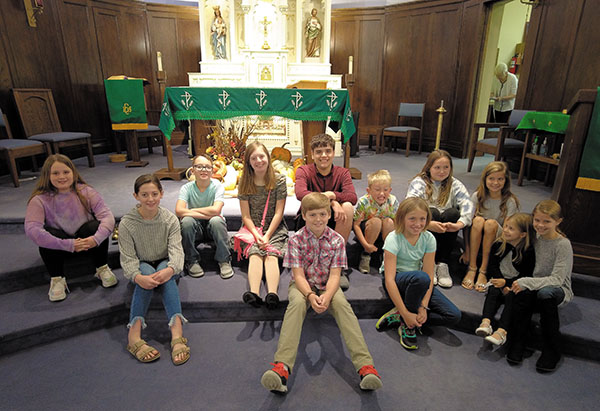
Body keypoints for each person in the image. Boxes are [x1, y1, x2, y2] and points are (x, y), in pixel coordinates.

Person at [260, 193, 382, 393]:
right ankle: (282, 366)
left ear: (329, 216)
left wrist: (326, 295)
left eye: (323, 214)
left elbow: (335, 276)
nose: (318, 219)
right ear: (305, 216)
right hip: (303, 286)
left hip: (328, 285)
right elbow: (298, 275)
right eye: (313, 215)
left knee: (343, 306)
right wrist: (309, 295)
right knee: (296, 305)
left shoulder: (336, 240)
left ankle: (365, 366)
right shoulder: (296, 240)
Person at [25, 154, 117, 302]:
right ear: (47, 175)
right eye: (55, 173)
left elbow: (107, 217)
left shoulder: (87, 191)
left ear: (73, 173)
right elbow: (32, 230)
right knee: (47, 234)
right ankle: (57, 278)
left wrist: (96, 239)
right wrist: (68, 244)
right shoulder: (39, 200)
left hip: (88, 244)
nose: (62, 176)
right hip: (61, 247)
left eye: (66, 172)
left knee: (94, 226)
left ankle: (102, 268)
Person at [118, 174, 189, 366]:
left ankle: (177, 334)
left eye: (154, 194)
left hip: (166, 262)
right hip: (142, 263)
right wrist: (136, 276)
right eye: (144, 195)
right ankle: (134, 336)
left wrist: (171, 269)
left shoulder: (169, 220)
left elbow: (177, 251)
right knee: (147, 272)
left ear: (162, 194)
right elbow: (128, 257)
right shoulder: (126, 223)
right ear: (136, 196)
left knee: (165, 272)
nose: (150, 199)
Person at [375, 197, 461, 350]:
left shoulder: (428, 239)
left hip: (419, 282)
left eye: (422, 219)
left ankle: (400, 318)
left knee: (453, 315)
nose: (418, 224)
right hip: (398, 279)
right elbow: (389, 280)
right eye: (412, 219)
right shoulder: (393, 238)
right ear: (402, 218)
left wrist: (423, 307)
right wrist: (406, 312)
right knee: (420, 278)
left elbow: (428, 275)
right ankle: (408, 324)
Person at [507, 200, 573, 373]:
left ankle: (552, 349)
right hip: (534, 285)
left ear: (558, 222)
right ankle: (519, 341)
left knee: (544, 293)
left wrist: (527, 282)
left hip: (555, 289)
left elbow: (558, 279)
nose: (540, 225)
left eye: (546, 221)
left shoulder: (563, 245)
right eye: (537, 220)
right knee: (523, 292)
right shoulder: (533, 237)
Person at [295, 133, 357, 290]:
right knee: (338, 206)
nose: (324, 155)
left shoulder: (343, 173)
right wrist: (332, 202)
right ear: (312, 155)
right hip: (309, 219)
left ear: (334, 153)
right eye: (319, 152)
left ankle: (337, 264)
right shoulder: (303, 170)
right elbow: (300, 194)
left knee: (348, 207)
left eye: (328, 151)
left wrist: (333, 195)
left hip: (335, 218)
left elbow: (352, 197)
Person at [406, 149, 474, 288]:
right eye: (437, 167)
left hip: (446, 228)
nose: (442, 171)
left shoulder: (455, 184)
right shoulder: (419, 182)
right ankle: (429, 263)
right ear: (429, 167)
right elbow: (410, 206)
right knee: (433, 212)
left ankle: (442, 263)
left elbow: (468, 205)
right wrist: (427, 224)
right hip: (424, 227)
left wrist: (459, 224)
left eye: (446, 167)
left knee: (453, 214)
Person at [237, 142, 288, 310]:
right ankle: (254, 293)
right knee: (255, 253)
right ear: (248, 162)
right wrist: (256, 234)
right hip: (253, 227)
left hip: (274, 227)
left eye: (262, 156)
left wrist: (266, 236)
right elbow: (246, 215)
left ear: (268, 157)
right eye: (254, 158)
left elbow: (279, 213)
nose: (258, 161)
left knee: (271, 253)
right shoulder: (245, 182)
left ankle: (272, 294)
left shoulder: (279, 180)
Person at [475, 213, 535, 346]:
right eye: (506, 226)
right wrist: (500, 282)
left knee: (513, 296)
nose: (506, 230)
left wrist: (508, 284)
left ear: (523, 234)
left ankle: (502, 331)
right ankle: (486, 322)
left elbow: (527, 273)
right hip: (499, 280)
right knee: (493, 292)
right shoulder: (499, 244)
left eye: (511, 228)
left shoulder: (528, 251)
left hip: (515, 283)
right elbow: (492, 265)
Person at [462, 161, 519, 292]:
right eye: (491, 178)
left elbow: (509, 231)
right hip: (477, 231)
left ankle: (483, 270)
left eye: (500, 179)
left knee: (490, 223)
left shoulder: (510, 201)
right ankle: (472, 268)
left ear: (506, 181)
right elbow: (466, 224)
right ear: (485, 179)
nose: (495, 183)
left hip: (497, 236)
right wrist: (466, 250)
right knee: (478, 221)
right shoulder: (477, 196)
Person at [176, 154, 232, 279]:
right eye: (199, 167)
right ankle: (191, 260)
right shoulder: (186, 188)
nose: (203, 170)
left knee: (217, 221)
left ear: (212, 170)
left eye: (207, 167)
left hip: (213, 227)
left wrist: (191, 210)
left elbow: (216, 210)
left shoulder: (217, 185)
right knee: (186, 222)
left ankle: (224, 259)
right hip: (196, 229)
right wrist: (207, 214)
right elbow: (179, 210)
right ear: (192, 170)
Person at [353, 169, 399, 274]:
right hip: (369, 230)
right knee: (376, 221)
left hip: (385, 232)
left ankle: (386, 254)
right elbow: (356, 225)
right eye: (377, 190)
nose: (382, 193)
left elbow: (398, 223)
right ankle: (366, 255)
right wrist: (365, 244)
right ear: (368, 190)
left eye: (386, 190)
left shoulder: (393, 201)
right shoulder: (364, 202)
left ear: (390, 190)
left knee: (389, 222)